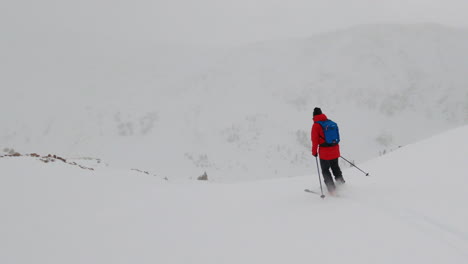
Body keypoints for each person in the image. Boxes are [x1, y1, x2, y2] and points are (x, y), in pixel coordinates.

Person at [311, 107, 345, 194]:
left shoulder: (316, 125)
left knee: (325, 170)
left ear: (314, 116)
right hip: (335, 149)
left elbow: (314, 141)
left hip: (324, 152)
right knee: (335, 167)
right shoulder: (330, 122)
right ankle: (342, 184)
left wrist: (314, 152)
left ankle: (332, 190)